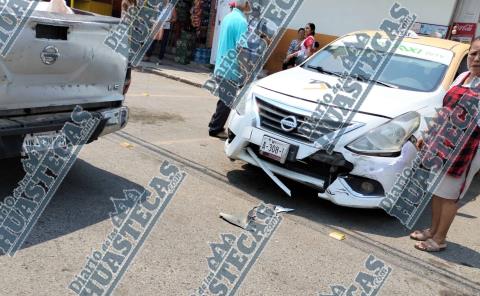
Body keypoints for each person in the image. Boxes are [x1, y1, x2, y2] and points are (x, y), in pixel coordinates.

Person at [410, 36, 480, 252]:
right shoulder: (463, 77)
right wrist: (429, 133)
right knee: (436, 189)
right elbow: (446, 109)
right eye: (474, 53)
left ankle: (440, 239)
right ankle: (433, 229)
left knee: (449, 194)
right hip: (443, 143)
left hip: (467, 149)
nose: (476, 59)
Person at [208, 0, 249, 138]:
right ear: (245, 4)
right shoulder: (242, 22)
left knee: (224, 99)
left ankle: (214, 124)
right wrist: (245, 70)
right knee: (227, 101)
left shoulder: (228, 17)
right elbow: (241, 48)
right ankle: (215, 128)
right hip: (231, 68)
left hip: (221, 64)